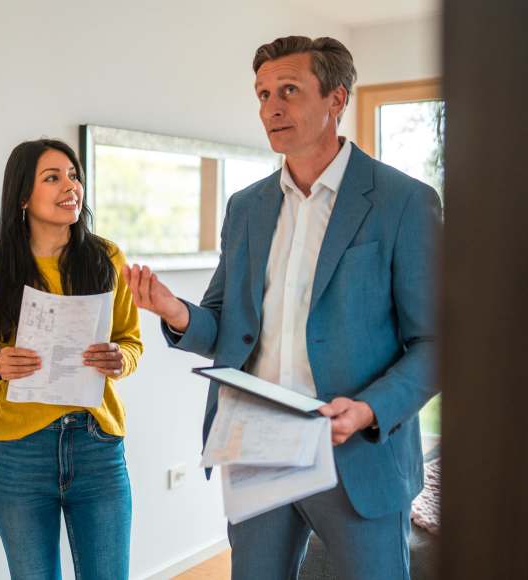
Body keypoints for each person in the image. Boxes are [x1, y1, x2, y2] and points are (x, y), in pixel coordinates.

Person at [124, 36, 441, 580]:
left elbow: (434, 344)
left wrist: (369, 410)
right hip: (257, 446)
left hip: (357, 454)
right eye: (263, 93)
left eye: (289, 90)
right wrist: (175, 312)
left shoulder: (403, 201)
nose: (271, 107)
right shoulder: (246, 207)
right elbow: (225, 327)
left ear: (336, 100)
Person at [0, 139, 143, 579]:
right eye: (53, 178)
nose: (70, 186)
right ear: (23, 196)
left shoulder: (107, 258)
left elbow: (131, 342)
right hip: (22, 455)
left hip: (97, 447)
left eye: (74, 176)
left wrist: (120, 358)